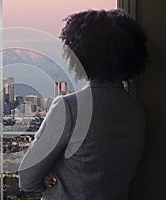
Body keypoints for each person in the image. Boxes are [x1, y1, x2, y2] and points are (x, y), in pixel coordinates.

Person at [18, 9, 148, 200]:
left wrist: (50, 174)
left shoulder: (70, 108)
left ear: (78, 54)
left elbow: (27, 178)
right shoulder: (136, 110)